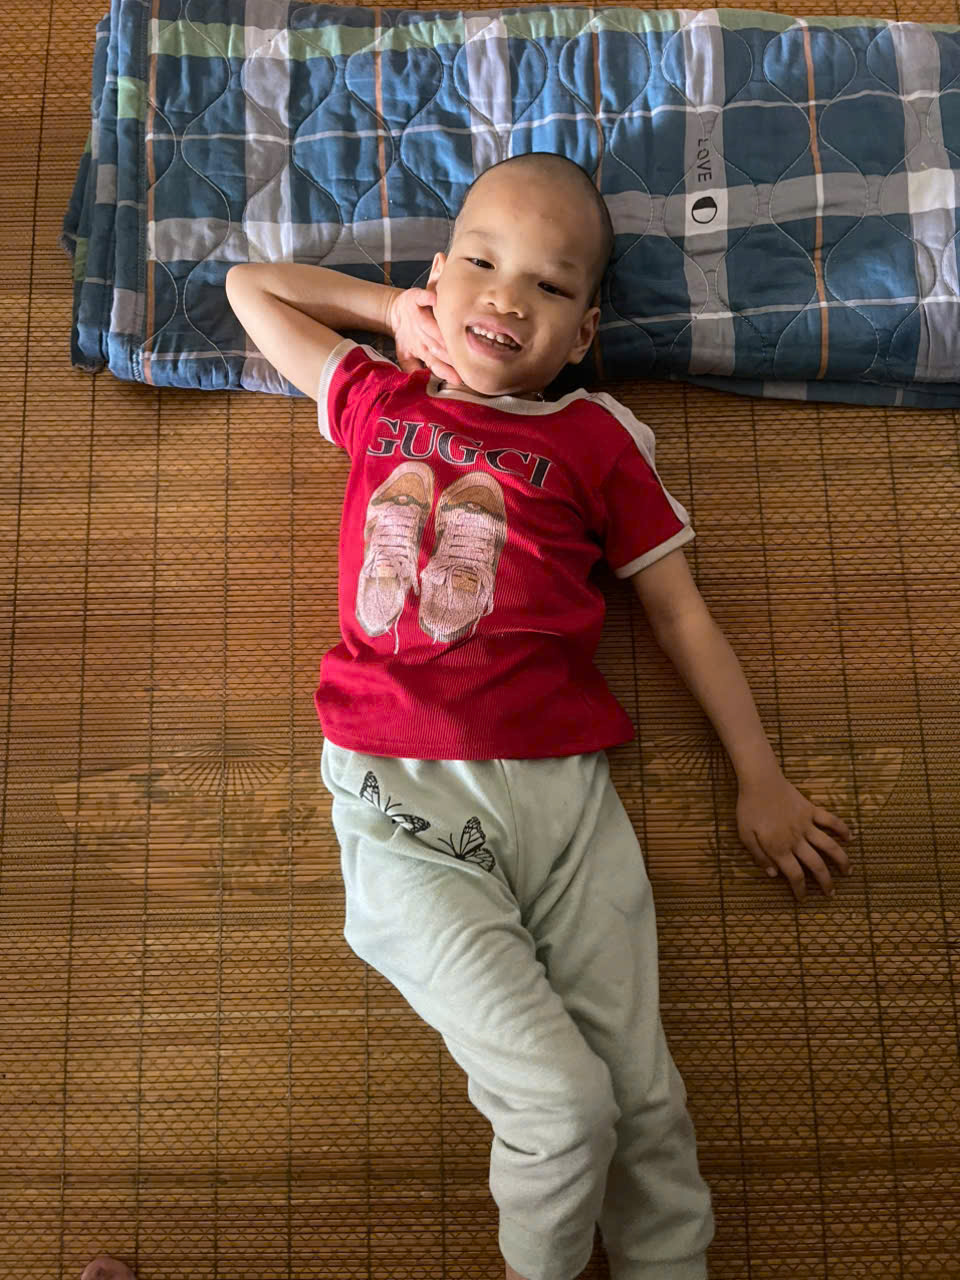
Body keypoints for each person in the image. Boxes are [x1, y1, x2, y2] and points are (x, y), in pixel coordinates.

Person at [83, 153, 852, 1280]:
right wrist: (386, 309)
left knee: (640, 1099)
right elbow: (251, 287)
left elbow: (681, 616)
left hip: (566, 805)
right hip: (404, 800)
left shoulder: (598, 439)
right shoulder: (382, 398)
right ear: (439, 279)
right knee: (563, 1103)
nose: (508, 298)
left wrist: (760, 775)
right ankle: (423, 548)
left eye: (550, 286)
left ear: (584, 332)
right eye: (483, 266)